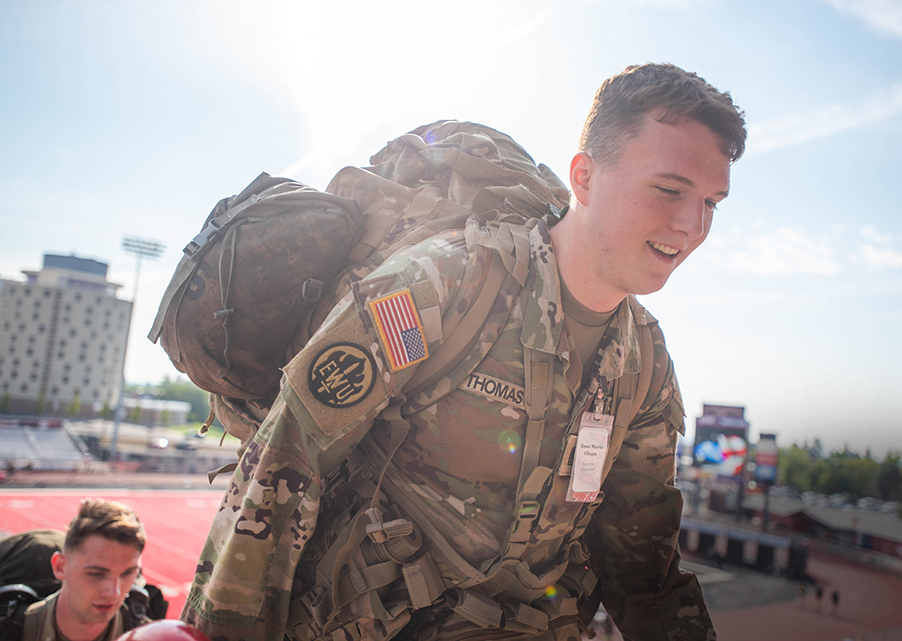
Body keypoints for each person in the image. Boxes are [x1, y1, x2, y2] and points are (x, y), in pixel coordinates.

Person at [182, 63, 747, 641]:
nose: (689, 225)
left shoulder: (645, 363)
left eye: (711, 202)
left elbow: (642, 567)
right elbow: (282, 469)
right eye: (669, 189)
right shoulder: (443, 286)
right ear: (584, 176)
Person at [1, 499, 151, 641]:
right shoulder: (9, 631)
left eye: (127, 573)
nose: (113, 592)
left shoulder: (149, 635)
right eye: (96, 574)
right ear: (60, 567)